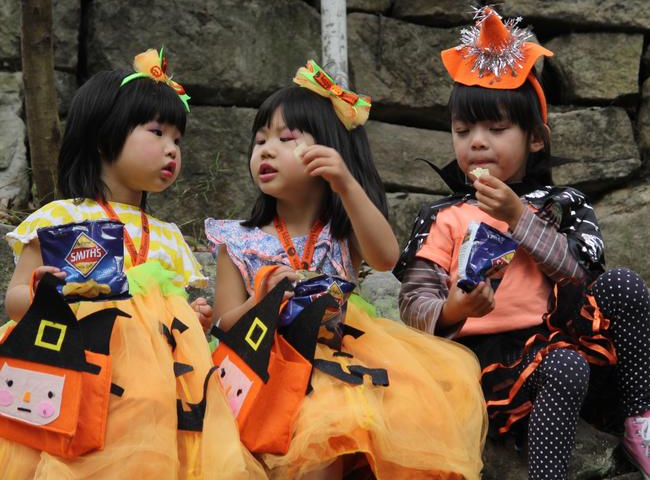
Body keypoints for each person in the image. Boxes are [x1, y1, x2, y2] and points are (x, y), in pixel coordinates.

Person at [395, 7, 650, 480]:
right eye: (463, 130)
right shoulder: (443, 215)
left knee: (623, 286)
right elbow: (412, 301)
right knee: (565, 367)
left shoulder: (561, 202)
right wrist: (453, 309)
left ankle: (641, 421)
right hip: (485, 363)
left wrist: (518, 217)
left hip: (561, 339)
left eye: (496, 129)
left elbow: (580, 276)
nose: (477, 142)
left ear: (535, 139)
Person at [205, 60, 486, 480]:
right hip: (261, 361)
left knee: (328, 429)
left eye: (285, 138)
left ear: (327, 150)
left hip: (338, 359)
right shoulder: (237, 240)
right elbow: (224, 324)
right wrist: (262, 300)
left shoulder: (341, 230)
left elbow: (387, 258)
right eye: (259, 140)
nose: (265, 150)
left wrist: (346, 184)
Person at [1, 48, 265, 479]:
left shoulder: (166, 235)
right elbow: (14, 301)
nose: (172, 150)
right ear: (105, 137)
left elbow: (175, 309)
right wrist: (40, 292)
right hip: (74, 371)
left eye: (178, 140)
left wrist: (192, 316)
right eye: (157, 133)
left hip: (157, 390)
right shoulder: (62, 218)